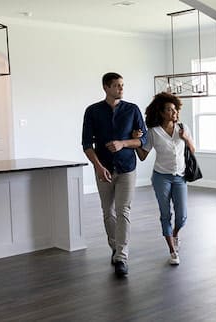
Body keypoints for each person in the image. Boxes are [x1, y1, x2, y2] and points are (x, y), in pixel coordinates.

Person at [82, 72, 147, 277]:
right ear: (106, 88)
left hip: (127, 167)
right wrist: (98, 166)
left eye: (122, 85)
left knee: (123, 210)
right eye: (117, 85)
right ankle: (115, 246)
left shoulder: (132, 109)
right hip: (104, 169)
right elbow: (86, 144)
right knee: (107, 211)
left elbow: (142, 141)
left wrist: (123, 143)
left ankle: (122, 256)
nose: (121, 88)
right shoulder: (92, 111)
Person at [134, 92, 194, 266]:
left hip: (180, 177)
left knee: (182, 216)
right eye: (170, 110)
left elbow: (193, 149)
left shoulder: (182, 128)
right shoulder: (153, 132)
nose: (174, 113)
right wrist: (135, 142)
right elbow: (143, 155)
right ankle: (172, 250)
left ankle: (175, 234)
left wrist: (186, 138)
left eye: (175, 109)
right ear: (161, 113)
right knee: (166, 213)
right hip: (161, 177)